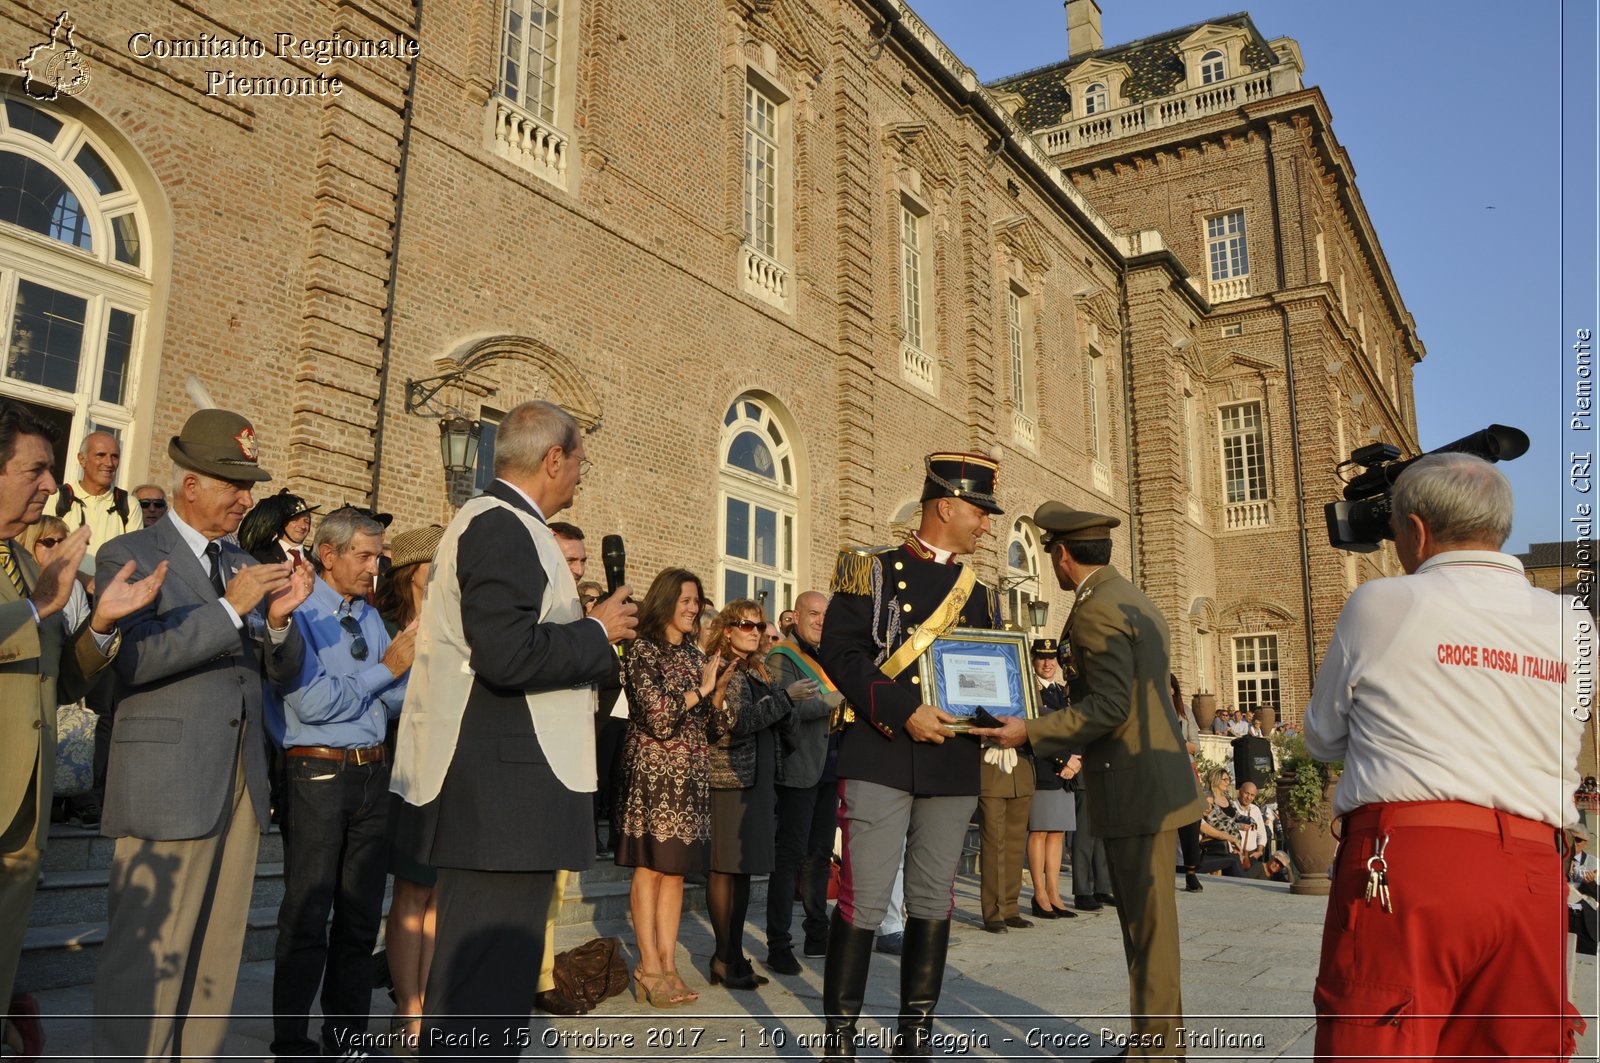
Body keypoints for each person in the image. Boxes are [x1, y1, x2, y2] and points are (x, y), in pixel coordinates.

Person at [1303, 453, 1588, 1059]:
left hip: (1413, 862)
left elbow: (1322, 738)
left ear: (1417, 530)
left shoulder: (1382, 602)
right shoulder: (1572, 620)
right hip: (1535, 872)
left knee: (1380, 1038)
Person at [388, 400, 634, 1057]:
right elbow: (506, 653)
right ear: (553, 458)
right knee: (481, 997)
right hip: (502, 799)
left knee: (486, 998)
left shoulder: (509, 524)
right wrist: (596, 632)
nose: (582, 476)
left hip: (509, 797)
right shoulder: (501, 527)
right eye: (580, 461)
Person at [91, 408, 312, 1060]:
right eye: (234, 484)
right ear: (192, 485)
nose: (247, 499)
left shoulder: (244, 559)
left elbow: (282, 673)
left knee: (213, 966)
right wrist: (229, 608)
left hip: (238, 788)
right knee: (145, 964)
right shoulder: (127, 552)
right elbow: (131, 661)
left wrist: (276, 624)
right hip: (167, 786)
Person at [975, 503, 1204, 1059]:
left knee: (1147, 930)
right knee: (1151, 928)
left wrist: (1030, 729)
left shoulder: (1098, 609)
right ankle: (1157, 1048)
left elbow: (1106, 707)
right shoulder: (1131, 597)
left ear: (1061, 554)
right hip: (1154, 780)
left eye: (1052, 554)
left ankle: (1156, 1054)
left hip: (1134, 784)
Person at [817, 451, 1003, 1061]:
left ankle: (914, 1038)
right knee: (865, 899)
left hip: (952, 762)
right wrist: (904, 711)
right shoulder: (867, 571)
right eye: (979, 512)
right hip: (883, 751)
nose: (986, 526)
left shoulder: (982, 592)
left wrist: (1002, 717)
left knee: (931, 900)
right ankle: (841, 1042)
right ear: (945, 506)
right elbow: (843, 656)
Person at [0, 402, 161, 1062]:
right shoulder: (27, 579)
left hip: (23, 810)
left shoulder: (17, 556)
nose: (48, 486)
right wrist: (35, 605)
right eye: (35, 470)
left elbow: (52, 683)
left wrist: (97, 624)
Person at [266, 506, 413, 1059]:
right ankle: (290, 1041)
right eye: (365, 555)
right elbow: (313, 701)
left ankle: (346, 1036)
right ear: (328, 555)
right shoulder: (299, 612)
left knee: (359, 913)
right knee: (307, 910)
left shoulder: (368, 615)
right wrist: (387, 671)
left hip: (372, 771)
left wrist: (401, 674)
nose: (375, 566)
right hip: (318, 772)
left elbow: (392, 699)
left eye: (379, 555)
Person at [616, 568, 734, 1007]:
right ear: (666, 601)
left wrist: (717, 692)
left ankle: (668, 963)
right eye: (686, 600)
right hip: (653, 774)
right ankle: (647, 965)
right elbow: (659, 717)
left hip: (691, 775)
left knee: (676, 872)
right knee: (651, 868)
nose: (693, 608)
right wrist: (700, 691)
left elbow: (716, 729)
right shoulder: (642, 651)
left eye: (697, 601)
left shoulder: (692, 655)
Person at [374, 524, 443, 1051]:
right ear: (415, 570)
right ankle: (407, 1004)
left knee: (437, 890)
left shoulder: (451, 624)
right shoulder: (386, 623)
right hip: (401, 768)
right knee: (411, 891)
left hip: (446, 767)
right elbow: (381, 695)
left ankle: (427, 994)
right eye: (438, 562)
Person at [705, 600, 795, 987]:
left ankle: (733, 954)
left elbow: (772, 719)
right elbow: (736, 724)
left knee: (741, 871)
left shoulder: (757, 666)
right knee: (725, 869)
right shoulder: (721, 664)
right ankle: (723, 957)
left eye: (760, 626)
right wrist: (787, 698)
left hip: (757, 777)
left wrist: (786, 702)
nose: (755, 631)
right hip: (728, 779)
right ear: (727, 628)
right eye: (746, 624)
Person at [765, 590, 845, 973]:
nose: (820, 622)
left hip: (829, 768)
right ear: (794, 617)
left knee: (818, 858)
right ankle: (778, 943)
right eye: (813, 614)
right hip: (799, 769)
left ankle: (818, 933)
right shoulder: (783, 656)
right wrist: (832, 701)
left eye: (826, 616)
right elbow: (787, 707)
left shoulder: (830, 656)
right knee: (789, 859)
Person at [977, 660, 1036, 932]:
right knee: (993, 843)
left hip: (1020, 770)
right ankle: (993, 911)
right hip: (991, 767)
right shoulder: (982, 682)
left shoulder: (1024, 686)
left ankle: (1011, 907)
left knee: (1014, 842)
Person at [1024, 639, 1076, 921]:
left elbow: (1078, 725)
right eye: (1041, 658)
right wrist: (1064, 760)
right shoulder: (1031, 691)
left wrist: (1077, 759)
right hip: (1045, 766)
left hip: (1068, 769)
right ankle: (1039, 894)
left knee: (1058, 832)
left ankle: (1055, 893)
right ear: (1033, 660)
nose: (1047, 663)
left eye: (1051, 658)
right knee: (1040, 831)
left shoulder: (1061, 691)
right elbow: (1038, 730)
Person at [50, 430, 135, 566]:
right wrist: (83, 580)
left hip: (110, 586)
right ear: (82, 459)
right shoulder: (57, 497)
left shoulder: (129, 504)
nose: (109, 463)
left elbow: (132, 559)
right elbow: (41, 553)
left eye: (114, 456)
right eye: (100, 455)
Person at [1168, 675, 1204, 893]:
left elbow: (1195, 747)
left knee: (1191, 821)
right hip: (1161, 771)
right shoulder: (1152, 712)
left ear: (1173, 690)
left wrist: (1177, 743)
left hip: (1184, 770)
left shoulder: (1185, 712)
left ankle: (1191, 872)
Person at [238, 488, 319, 565]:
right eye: (295, 520)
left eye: (306, 521)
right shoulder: (260, 557)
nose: (303, 526)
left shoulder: (316, 562)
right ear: (282, 523)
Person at [1196, 768, 1246, 877]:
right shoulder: (1196, 819)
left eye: (1211, 805)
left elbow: (1234, 820)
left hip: (1222, 848)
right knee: (1234, 860)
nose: (1209, 808)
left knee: (1233, 863)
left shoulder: (1227, 799)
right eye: (1225, 779)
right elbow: (1217, 832)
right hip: (1192, 862)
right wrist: (1233, 841)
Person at [1570, 827, 1598, 956]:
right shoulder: (1557, 858)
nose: (1573, 843)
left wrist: (1590, 883)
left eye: (1578, 840)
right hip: (1562, 915)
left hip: (1584, 919)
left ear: (1585, 842)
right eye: (1571, 839)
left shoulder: (1594, 863)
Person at [1234, 781, 1267, 870]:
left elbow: (1262, 834)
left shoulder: (1255, 809)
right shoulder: (1232, 807)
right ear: (1240, 791)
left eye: (1252, 795)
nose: (1249, 797)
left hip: (1252, 855)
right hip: (1235, 853)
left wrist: (1259, 852)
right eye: (1246, 793)